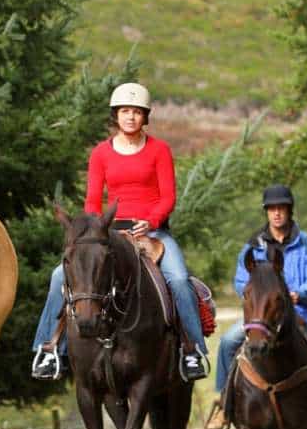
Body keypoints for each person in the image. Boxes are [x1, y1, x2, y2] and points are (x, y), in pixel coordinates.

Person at [30, 83, 210, 382]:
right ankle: (48, 349)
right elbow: (91, 200)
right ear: (116, 115)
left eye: (137, 112)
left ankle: (192, 351)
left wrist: (150, 222)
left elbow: (168, 197)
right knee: (59, 277)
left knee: (178, 279)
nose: (130, 117)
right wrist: (97, 226)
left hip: (152, 233)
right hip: (110, 232)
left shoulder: (159, 150)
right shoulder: (100, 153)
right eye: (125, 111)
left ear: (145, 116)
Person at [205, 185, 307, 429]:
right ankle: (223, 407)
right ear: (267, 213)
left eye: (281, 208)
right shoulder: (253, 245)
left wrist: (299, 294)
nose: (277, 214)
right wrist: (260, 296)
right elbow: (240, 281)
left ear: (289, 211)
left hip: (303, 311)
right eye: (272, 209)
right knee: (227, 343)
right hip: (263, 316)